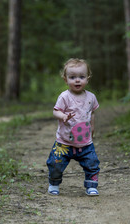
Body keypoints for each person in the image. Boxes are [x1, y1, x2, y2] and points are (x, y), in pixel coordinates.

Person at [46, 58, 100, 196]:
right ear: (65, 79)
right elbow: (55, 111)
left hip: (85, 142)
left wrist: (92, 128)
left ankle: (91, 185)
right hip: (64, 142)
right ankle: (54, 183)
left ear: (87, 79)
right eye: (72, 77)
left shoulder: (91, 97)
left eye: (81, 77)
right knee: (55, 164)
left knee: (92, 163)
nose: (77, 80)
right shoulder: (64, 97)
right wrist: (63, 116)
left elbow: (92, 113)